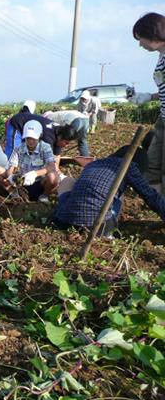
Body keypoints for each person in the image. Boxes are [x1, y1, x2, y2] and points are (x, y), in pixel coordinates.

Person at [52, 140, 165, 238]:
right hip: (97, 226)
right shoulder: (129, 166)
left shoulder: (95, 163)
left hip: (64, 221)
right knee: (119, 194)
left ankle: (66, 216)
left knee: (68, 181)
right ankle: (108, 232)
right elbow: (150, 195)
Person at [131, 12, 165, 194]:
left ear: (152, 34)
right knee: (152, 166)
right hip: (163, 117)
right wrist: (150, 97)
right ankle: (160, 208)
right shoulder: (161, 56)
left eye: (140, 38)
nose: (140, 44)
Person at [0, 120, 59, 203]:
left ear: (40, 136)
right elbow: (11, 167)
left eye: (33, 138)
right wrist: (11, 178)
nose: (30, 141)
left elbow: (52, 166)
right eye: (28, 138)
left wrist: (35, 173)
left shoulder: (45, 147)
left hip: (40, 182)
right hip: (22, 182)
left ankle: (43, 196)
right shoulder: (19, 148)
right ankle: (15, 194)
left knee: (53, 177)